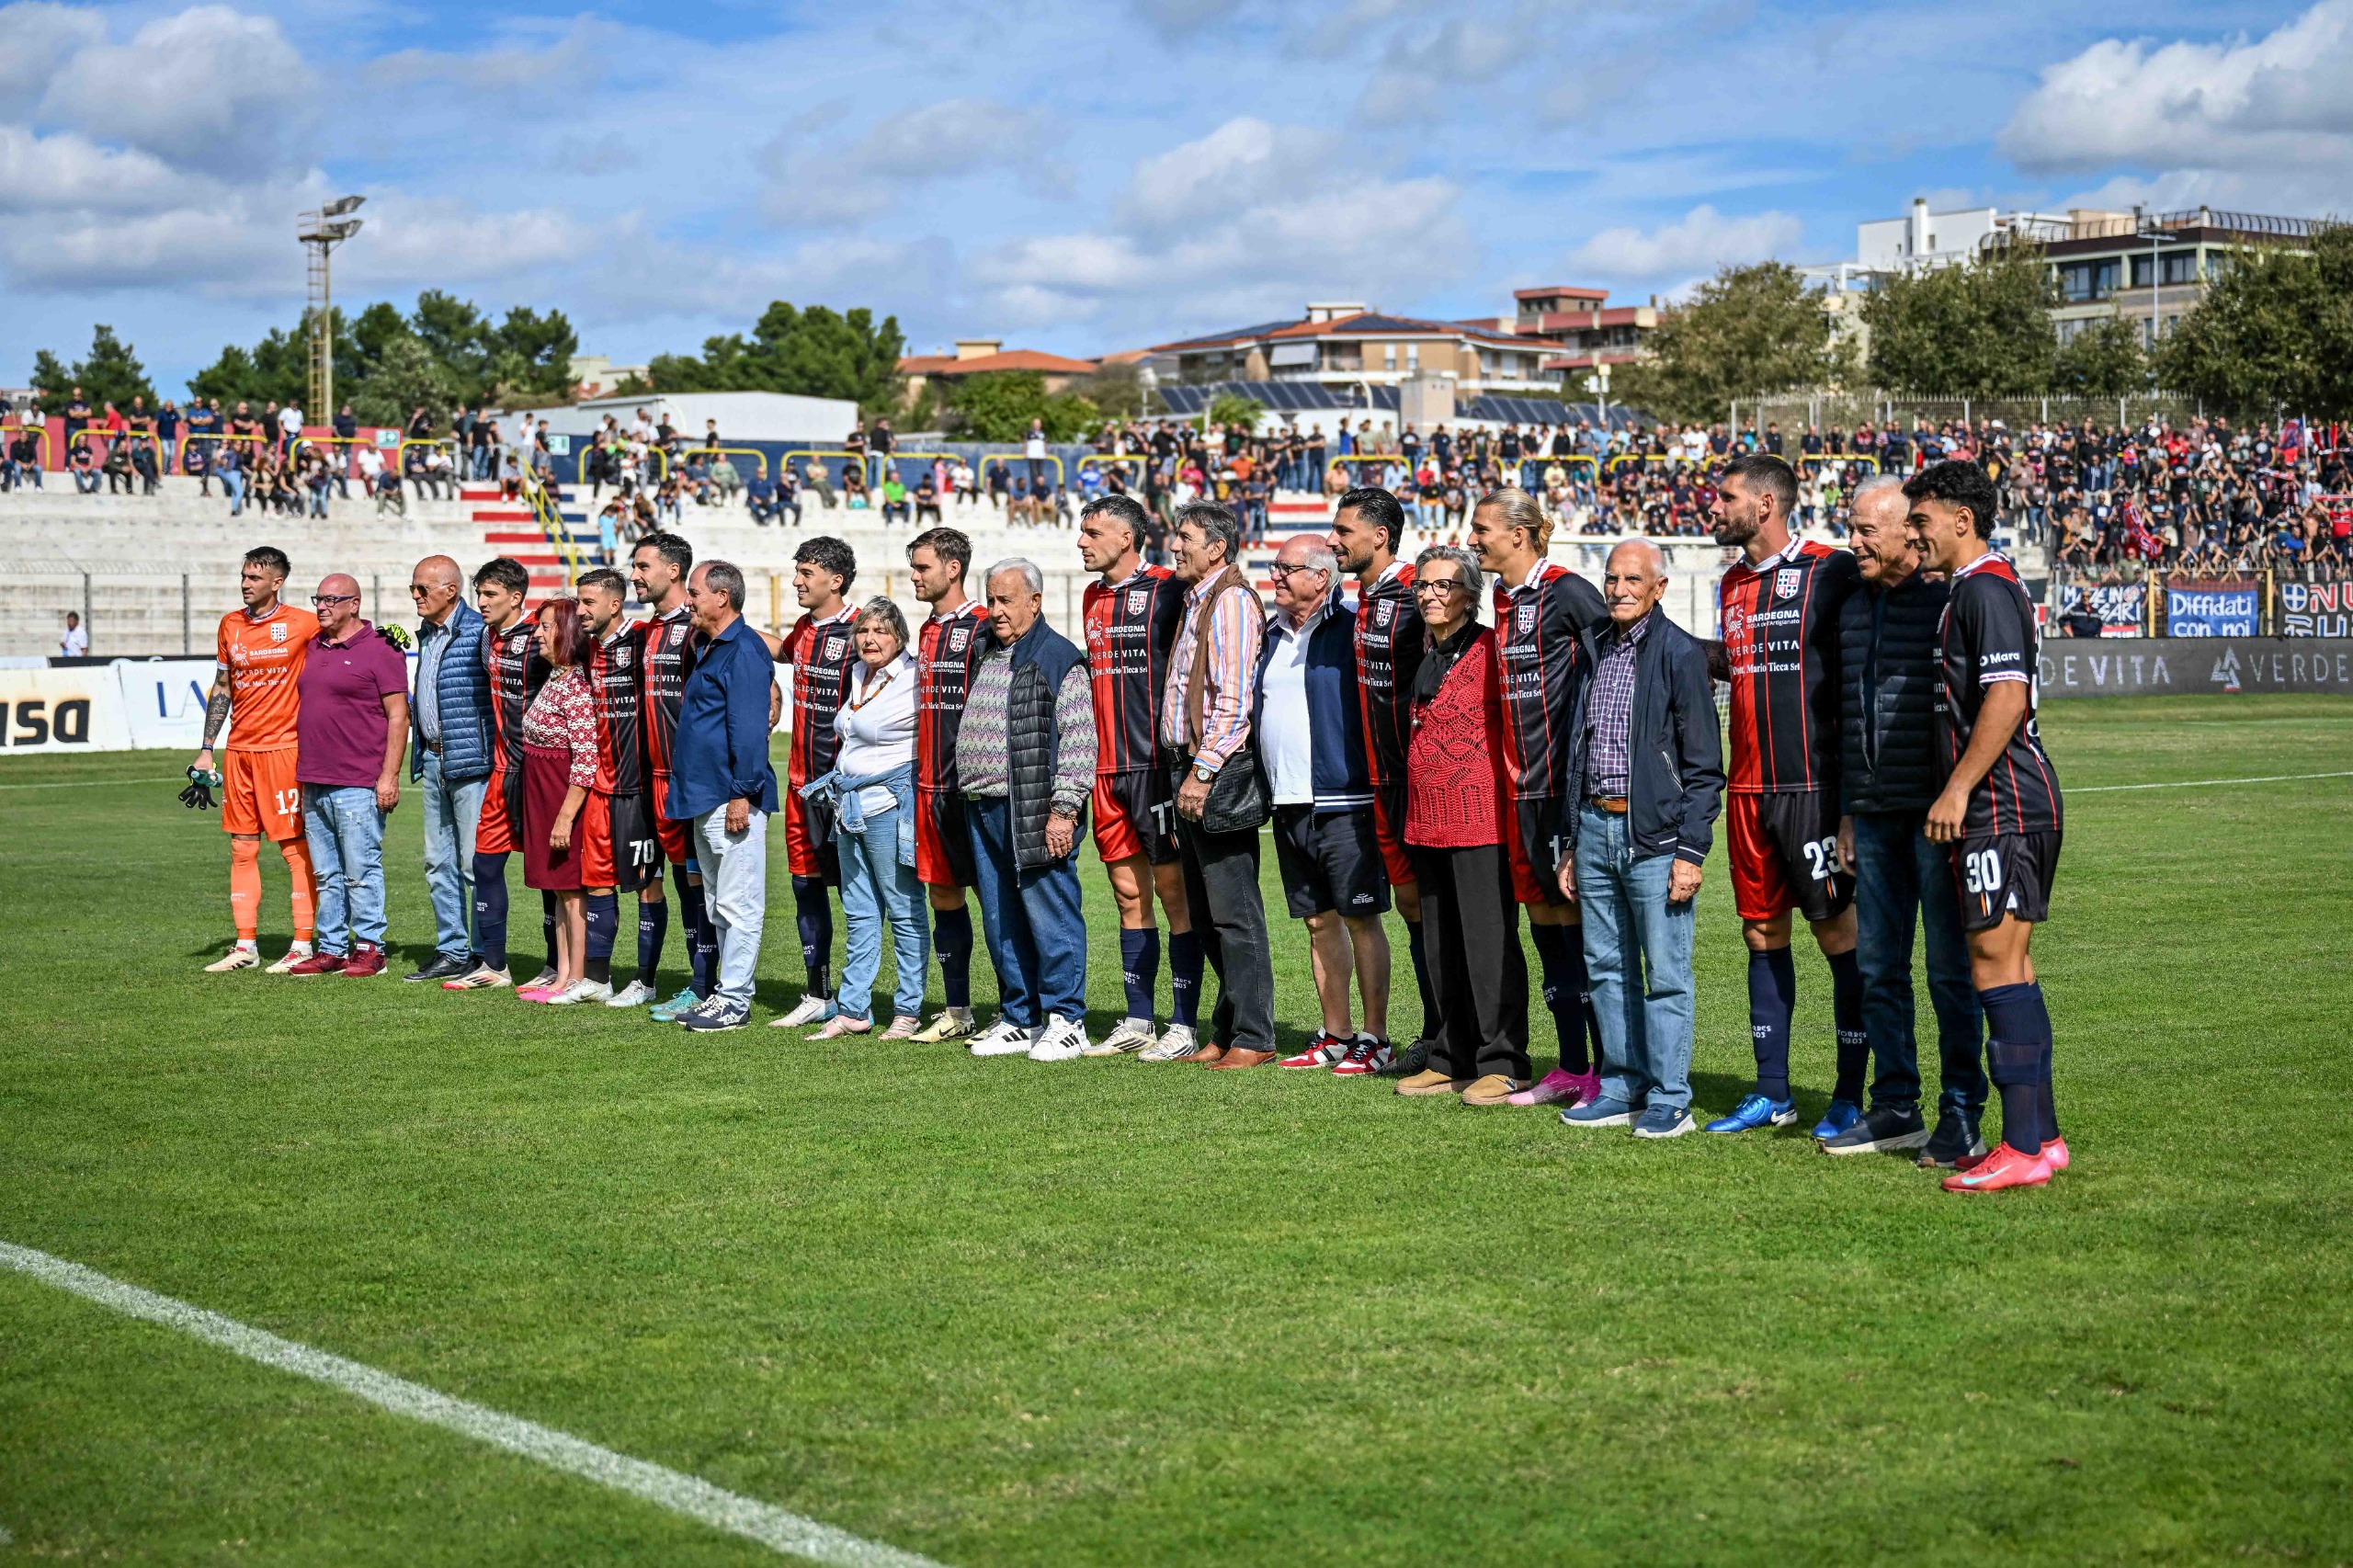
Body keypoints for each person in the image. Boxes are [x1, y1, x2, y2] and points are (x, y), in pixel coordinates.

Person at [1904, 460, 2071, 1192]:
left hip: (2002, 807)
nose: (1915, 535)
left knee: (1993, 967)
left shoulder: (1987, 589)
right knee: (2014, 967)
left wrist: (1958, 789)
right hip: (2004, 806)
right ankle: (2044, 1138)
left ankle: (2022, 1147)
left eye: (1921, 520)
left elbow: (2007, 695)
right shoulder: (1970, 590)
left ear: (1960, 518)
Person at [1701, 453, 1869, 1139]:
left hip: (1812, 788)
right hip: (1747, 789)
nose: (1715, 508)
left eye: (1727, 497)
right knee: (1759, 933)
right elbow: (1737, 665)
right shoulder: (1733, 582)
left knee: (1838, 935)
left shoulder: (1830, 570)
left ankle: (1853, 1093)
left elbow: (1857, 671)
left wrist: (1855, 797)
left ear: (1766, 504)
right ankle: (1773, 1091)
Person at [1829, 477, 1988, 1164]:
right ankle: (1895, 1105)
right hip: (1870, 815)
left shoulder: (1949, 600)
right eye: (1852, 528)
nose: (1854, 541)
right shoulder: (1851, 602)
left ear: (1908, 533)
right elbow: (1844, 713)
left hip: (1936, 818)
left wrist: (1958, 797)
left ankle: (1961, 1112)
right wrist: (1846, 814)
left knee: (1950, 971)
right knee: (1877, 968)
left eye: (1867, 530)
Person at [1558, 540, 1724, 1138]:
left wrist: (1690, 851)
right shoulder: (1596, 646)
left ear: (1658, 588)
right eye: (1612, 579)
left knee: (1666, 974)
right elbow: (1582, 748)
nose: (1619, 589)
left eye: (1633, 580)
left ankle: (1670, 1098)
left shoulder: (1680, 653)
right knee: (1605, 967)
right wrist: (1575, 841)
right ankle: (1623, 1086)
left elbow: (1705, 767)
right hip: (1597, 827)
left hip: (1655, 839)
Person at [1468, 486, 1608, 1108]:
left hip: (1561, 791)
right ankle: (1570, 1065)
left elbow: (1611, 676)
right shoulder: (1503, 598)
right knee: (1544, 923)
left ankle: (1608, 1067)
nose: (1473, 540)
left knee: (1579, 926)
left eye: (1482, 530)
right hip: (1517, 792)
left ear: (1518, 535)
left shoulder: (1569, 591)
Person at [1391, 545, 1527, 1098]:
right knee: (1440, 944)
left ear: (1469, 594)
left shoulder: (1491, 649)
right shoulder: (1427, 651)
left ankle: (1503, 1059)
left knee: (1487, 943)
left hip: (1480, 820)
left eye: (1443, 586)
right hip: (1427, 819)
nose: (1430, 595)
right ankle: (1451, 1054)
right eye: (1423, 585)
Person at [1256, 534, 1394, 1072]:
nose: (1277, 576)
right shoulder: (1270, 634)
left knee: (1361, 919)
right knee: (1318, 922)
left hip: (1344, 797)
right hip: (1287, 800)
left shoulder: (1354, 624)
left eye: (1287, 568)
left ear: (1320, 576)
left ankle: (1375, 1037)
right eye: (1274, 567)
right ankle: (1334, 1034)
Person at [1074, 494, 1200, 1058]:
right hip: (1107, 771)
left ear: (1127, 537)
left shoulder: (1172, 590)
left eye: (1093, 532)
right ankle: (1138, 1019)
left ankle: (1184, 1022)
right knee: (1129, 896)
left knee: (1175, 895)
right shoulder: (1091, 596)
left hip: (1155, 768)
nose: (1082, 542)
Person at [959, 560, 1097, 1061]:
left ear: (1034, 602)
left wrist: (1064, 809)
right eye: (991, 599)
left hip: (1036, 810)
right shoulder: (987, 651)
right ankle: (1020, 1017)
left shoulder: (1058, 657)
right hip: (984, 806)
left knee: (1051, 913)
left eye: (1006, 601)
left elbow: (1082, 741)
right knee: (1001, 918)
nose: (995, 610)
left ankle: (1068, 1019)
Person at [1161, 500, 1276, 1068]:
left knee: (1234, 910)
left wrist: (1203, 771)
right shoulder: (1201, 598)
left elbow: (1234, 701)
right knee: (1207, 912)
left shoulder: (1230, 601)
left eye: (1183, 537)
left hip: (1216, 769)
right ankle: (1228, 1029)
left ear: (1216, 548)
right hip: (1196, 766)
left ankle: (1254, 1036)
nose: (1174, 545)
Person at [1326, 486, 1432, 1074]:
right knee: (1414, 909)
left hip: (1421, 785)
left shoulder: (1418, 593)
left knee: (1438, 909)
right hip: (1381, 783)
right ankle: (1437, 1029)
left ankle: (1458, 1034)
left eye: (1344, 531)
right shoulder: (1364, 598)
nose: (1334, 540)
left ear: (1380, 537)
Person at [192, 547, 320, 974]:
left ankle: (303, 944)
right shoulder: (230, 625)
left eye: (255, 577)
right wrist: (208, 747)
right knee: (241, 848)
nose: (246, 583)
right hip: (240, 752)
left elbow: (346, 640)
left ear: (277, 582)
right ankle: (245, 947)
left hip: (285, 750)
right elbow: (222, 686)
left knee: (294, 849)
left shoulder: (304, 622)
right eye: (244, 576)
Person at [804, 598, 926, 1038]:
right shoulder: (857, 674)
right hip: (849, 807)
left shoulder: (914, 678)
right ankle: (854, 1009)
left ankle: (908, 1010)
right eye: (863, 631)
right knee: (859, 911)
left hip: (890, 808)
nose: (870, 640)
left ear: (900, 636)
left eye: (881, 631)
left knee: (903, 908)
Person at [666, 562, 779, 1033]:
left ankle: (735, 998)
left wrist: (742, 793)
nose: (688, 600)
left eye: (694, 592)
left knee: (738, 902)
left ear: (721, 597)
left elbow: (750, 731)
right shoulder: (708, 645)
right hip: (702, 795)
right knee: (717, 903)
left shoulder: (745, 651)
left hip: (731, 797)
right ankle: (724, 994)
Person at [285, 574, 409, 979]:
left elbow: (398, 716)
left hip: (359, 781)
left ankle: (372, 949)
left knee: (361, 870)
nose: (321, 606)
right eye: (318, 598)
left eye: (331, 599)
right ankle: (333, 948)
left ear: (354, 604)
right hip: (314, 777)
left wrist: (389, 776)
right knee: (326, 872)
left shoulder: (381, 649)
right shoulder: (313, 646)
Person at [441, 559, 555, 992]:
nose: (481, 602)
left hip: (541, 772)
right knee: (484, 862)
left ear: (516, 597)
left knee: (547, 874)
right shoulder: (488, 637)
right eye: (480, 593)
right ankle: (494, 965)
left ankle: (556, 963)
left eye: (490, 595)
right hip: (502, 768)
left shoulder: (539, 637)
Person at [770, 537, 860, 1029]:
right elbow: (779, 653)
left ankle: (860, 996)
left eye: (806, 572)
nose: (797, 580)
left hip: (844, 788)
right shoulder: (804, 629)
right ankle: (816, 992)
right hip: (801, 785)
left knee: (858, 895)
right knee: (806, 886)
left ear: (835, 579)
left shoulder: (864, 628)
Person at [630, 532, 720, 1019]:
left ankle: (706, 984)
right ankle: (695, 982)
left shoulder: (696, 626)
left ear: (672, 571)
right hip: (653, 778)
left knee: (697, 885)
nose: (635, 575)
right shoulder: (649, 629)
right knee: (670, 881)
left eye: (643, 566)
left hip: (690, 779)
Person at [905, 527, 989, 1042]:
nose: (915, 576)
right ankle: (957, 1011)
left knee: (996, 899)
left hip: (973, 788)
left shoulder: (982, 625)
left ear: (952, 568)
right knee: (943, 896)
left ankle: (1018, 1010)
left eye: (923, 567)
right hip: (929, 786)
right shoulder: (926, 631)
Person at [403, 554, 494, 983]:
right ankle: (451, 949)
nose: (416, 595)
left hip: (471, 763)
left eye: (423, 588)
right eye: (413, 588)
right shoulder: (427, 634)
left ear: (450, 590)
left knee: (474, 864)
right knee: (437, 862)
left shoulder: (480, 632)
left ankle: (483, 952)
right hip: (435, 758)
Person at [580, 568, 665, 1004]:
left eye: (588, 603)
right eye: (578, 602)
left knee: (647, 884)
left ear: (615, 604)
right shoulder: (587, 648)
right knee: (596, 879)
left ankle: (646, 983)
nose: (581, 611)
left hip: (639, 788)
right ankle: (597, 978)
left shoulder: (644, 638)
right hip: (598, 785)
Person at [513, 597, 600, 1004]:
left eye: (546, 626)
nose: (537, 633)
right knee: (558, 891)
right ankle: (562, 973)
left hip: (562, 798)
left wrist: (565, 818)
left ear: (566, 631)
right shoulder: (556, 677)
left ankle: (576, 977)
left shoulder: (577, 684)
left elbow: (586, 759)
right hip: (542, 794)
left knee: (571, 890)